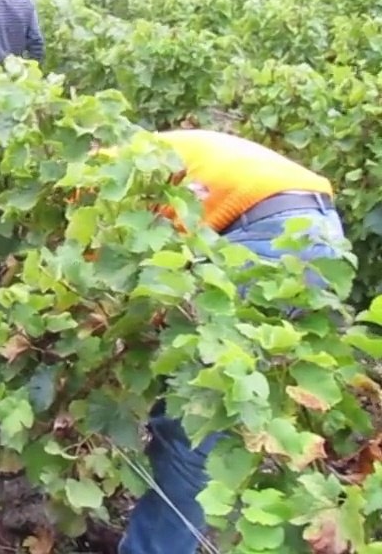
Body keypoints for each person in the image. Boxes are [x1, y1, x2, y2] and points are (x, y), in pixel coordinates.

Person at [107, 129, 347, 554]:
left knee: (194, 424)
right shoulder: (147, 151)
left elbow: (108, 286)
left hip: (265, 235)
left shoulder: (97, 180)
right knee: (253, 403)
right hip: (321, 231)